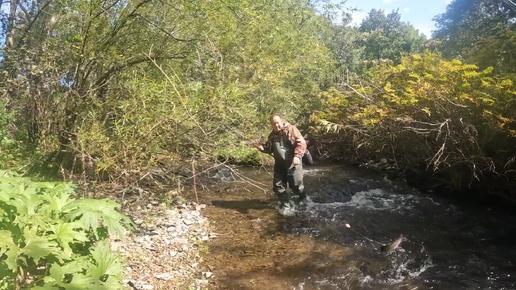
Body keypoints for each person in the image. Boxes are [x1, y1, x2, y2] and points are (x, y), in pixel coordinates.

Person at [254, 114, 308, 211]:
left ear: (281, 121)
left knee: (296, 185)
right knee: (278, 187)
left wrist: (297, 156)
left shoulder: (291, 129)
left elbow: (301, 143)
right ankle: (286, 205)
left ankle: (303, 198)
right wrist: (261, 148)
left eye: (277, 123)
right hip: (279, 164)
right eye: (273, 124)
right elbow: (269, 148)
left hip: (293, 162)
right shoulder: (272, 135)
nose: (276, 126)